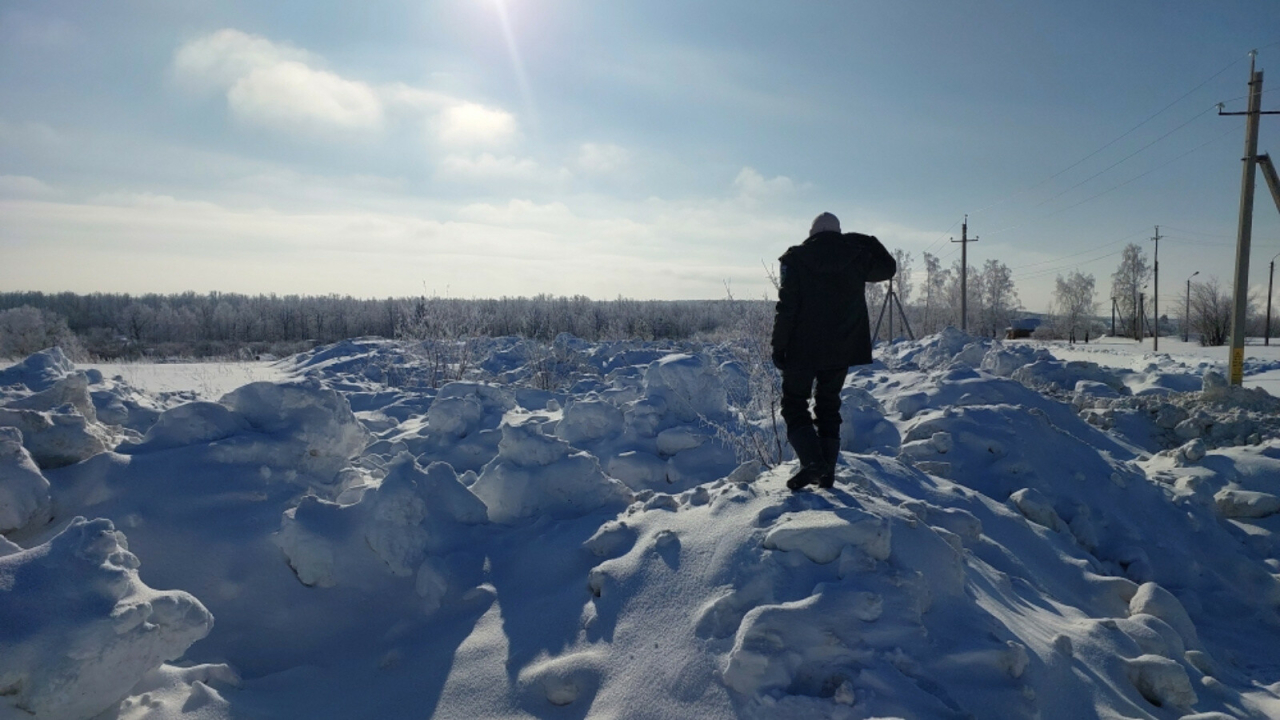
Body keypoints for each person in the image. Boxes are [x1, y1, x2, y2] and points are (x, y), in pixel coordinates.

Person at [770, 212, 896, 490]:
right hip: (841, 346)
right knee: (828, 404)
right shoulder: (856, 256)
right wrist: (867, 239)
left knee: (793, 403)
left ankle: (813, 462)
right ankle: (826, 474)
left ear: (811, 232)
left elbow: (787, 306)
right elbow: (888, 268)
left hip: (802, 346)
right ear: (839, 233)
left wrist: (779, 344)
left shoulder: (795, 259)